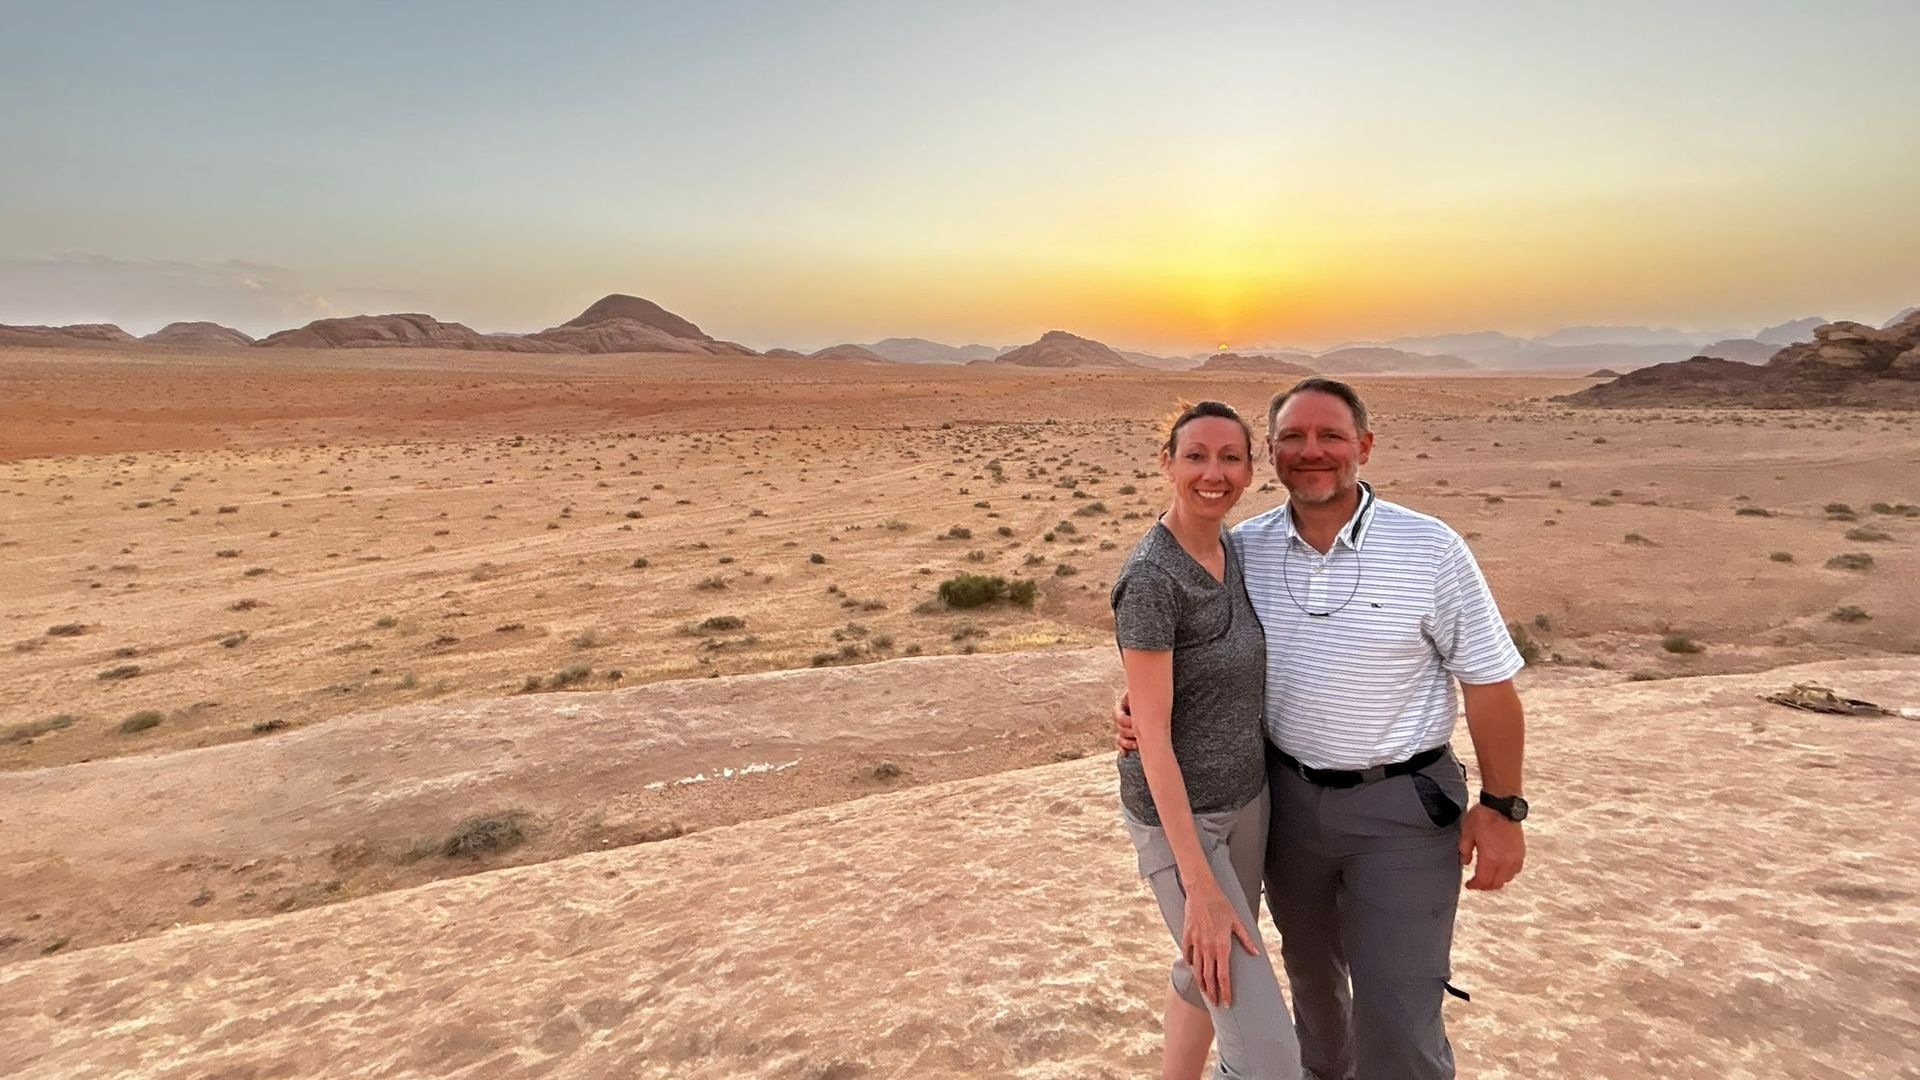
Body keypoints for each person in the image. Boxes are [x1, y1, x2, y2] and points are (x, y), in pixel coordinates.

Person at [1118, 377, 1528, 1080]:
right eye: (1294, 439)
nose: (1313, 453)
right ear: (1272, 456)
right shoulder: (1243, 549)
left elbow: (1489, 686)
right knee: (1312, 987)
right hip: (1285, 805)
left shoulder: (1430, 549)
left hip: (1401, 809)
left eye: (1330, 436)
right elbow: (1182, 639)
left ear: (1363, 446)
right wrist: (1134, 705)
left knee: (1399, 1008)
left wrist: (1501, 809)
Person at [1112, 400, 1301, 1080]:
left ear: (1253, 469)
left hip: (1248, 801)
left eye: (1230, 457)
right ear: (1166, 463)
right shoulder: (1152, 580)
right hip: (1181, 824)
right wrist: (1199, 883)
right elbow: (1153, 738)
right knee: (1270, 1058)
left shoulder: (1235, 550)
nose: (1212, 472)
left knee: (1206, 966)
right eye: (1195, 455)